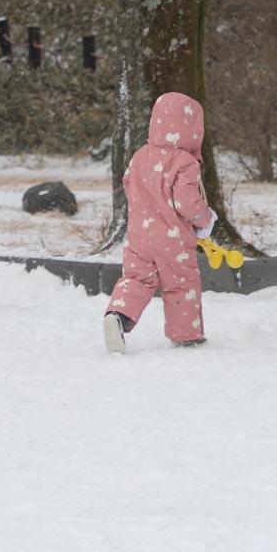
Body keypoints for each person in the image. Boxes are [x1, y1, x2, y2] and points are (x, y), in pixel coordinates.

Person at [102, 92, 217, 355]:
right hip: (172, 238)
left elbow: (128, 184)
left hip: (139, 235)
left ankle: (118, 315)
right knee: (181, 282)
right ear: (193, 129)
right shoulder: (185, 162)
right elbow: (186, 202)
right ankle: (186, 335)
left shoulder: (141, 155)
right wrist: (205, 218)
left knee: (136, 279)